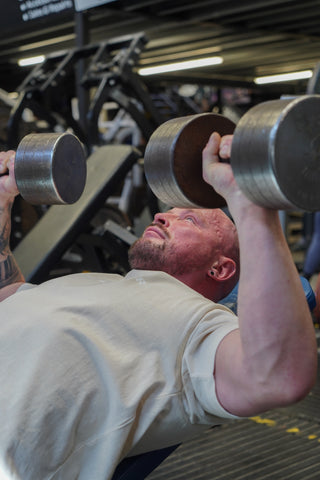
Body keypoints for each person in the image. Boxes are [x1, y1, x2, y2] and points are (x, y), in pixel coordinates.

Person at [0, 133, 316, 480]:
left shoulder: (198, 322)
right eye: (169, 211)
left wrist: (249, 201)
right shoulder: (100, 284)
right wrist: (3, 199)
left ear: (220, 268)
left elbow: (278, 377)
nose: (163, 216)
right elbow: (9, 290)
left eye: (190, 220)